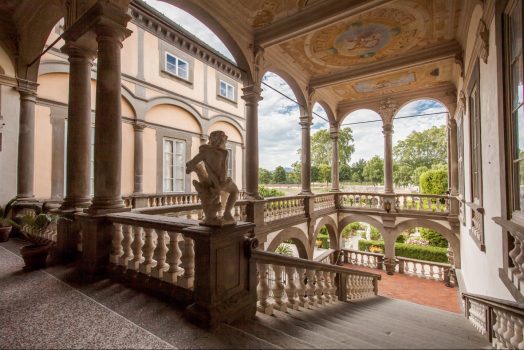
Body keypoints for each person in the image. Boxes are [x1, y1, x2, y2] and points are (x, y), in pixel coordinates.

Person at [186, 130, 239, 225]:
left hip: (211, 181)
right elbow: (224, 170)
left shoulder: (205, 152)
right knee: (235, 191)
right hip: (221, 182)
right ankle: (227, 213)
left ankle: (212, 217)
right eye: (224, 139)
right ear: (220, 140)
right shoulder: (223, 153)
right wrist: (223, 183)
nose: (225, 142)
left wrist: (192, 168)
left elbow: (191, 163)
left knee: (215, 198)